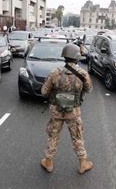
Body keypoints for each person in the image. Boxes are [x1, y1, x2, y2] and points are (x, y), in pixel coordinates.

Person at [40, 43, 93, 174]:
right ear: (76, 58)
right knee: (77, 137)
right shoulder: (82, 74)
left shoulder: (54, 73)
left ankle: (48, 162)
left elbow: (44, 92)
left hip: (56, 111)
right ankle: (82, 163)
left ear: (64, 57)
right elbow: (89, 89)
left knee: (53, 136)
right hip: (73, 112)